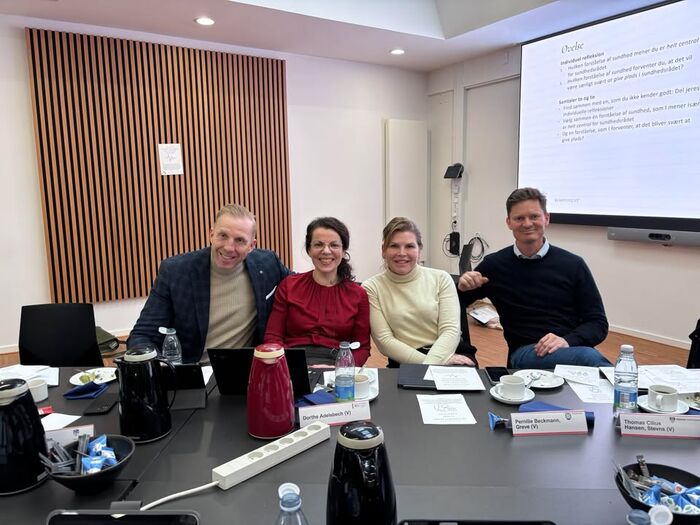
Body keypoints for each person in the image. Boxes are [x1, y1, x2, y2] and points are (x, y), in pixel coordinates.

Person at [457, 187, 610, 369]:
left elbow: (598, 323)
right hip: (525, 354)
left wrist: (567, 341)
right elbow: (453, 303)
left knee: (589, 362)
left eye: (534, 216)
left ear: (547, 218)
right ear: (509, 223)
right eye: (519, 218)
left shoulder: (573, 265)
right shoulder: (494, 266)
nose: (527, 223)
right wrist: (462, 287)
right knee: (590, 358)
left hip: (571, 350)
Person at [127, 204, 290, 363]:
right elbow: (143, 335)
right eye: (223, 235)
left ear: (252, 245)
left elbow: (300, 285)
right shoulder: (176, 272)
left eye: (240, 240)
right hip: (192, 371)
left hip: (246, 370)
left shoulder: (267, 264)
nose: (229, 247)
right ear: (211, 234)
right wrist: (159, 369)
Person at [362, 217, 477, 368]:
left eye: (409, 246)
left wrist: (435, 361)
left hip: (450, 353)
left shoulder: (441, 278)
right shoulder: (371, 287)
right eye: (394, 246)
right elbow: (385, 341)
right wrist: (433, 365)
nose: (402, 253)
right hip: (405, 361)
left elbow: (450, 330)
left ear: (419, 250)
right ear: (383, 250)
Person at [263, 217, 370, 365]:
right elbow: (273, 337)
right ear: (309, 250)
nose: (326, 251)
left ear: (343, 251)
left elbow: (362, 347)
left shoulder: (358, 294)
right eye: (318, 244)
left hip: (337, 366)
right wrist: (291, 365)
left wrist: (340, 368)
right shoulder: (289, 285)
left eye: (334, 245)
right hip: (292, 363)